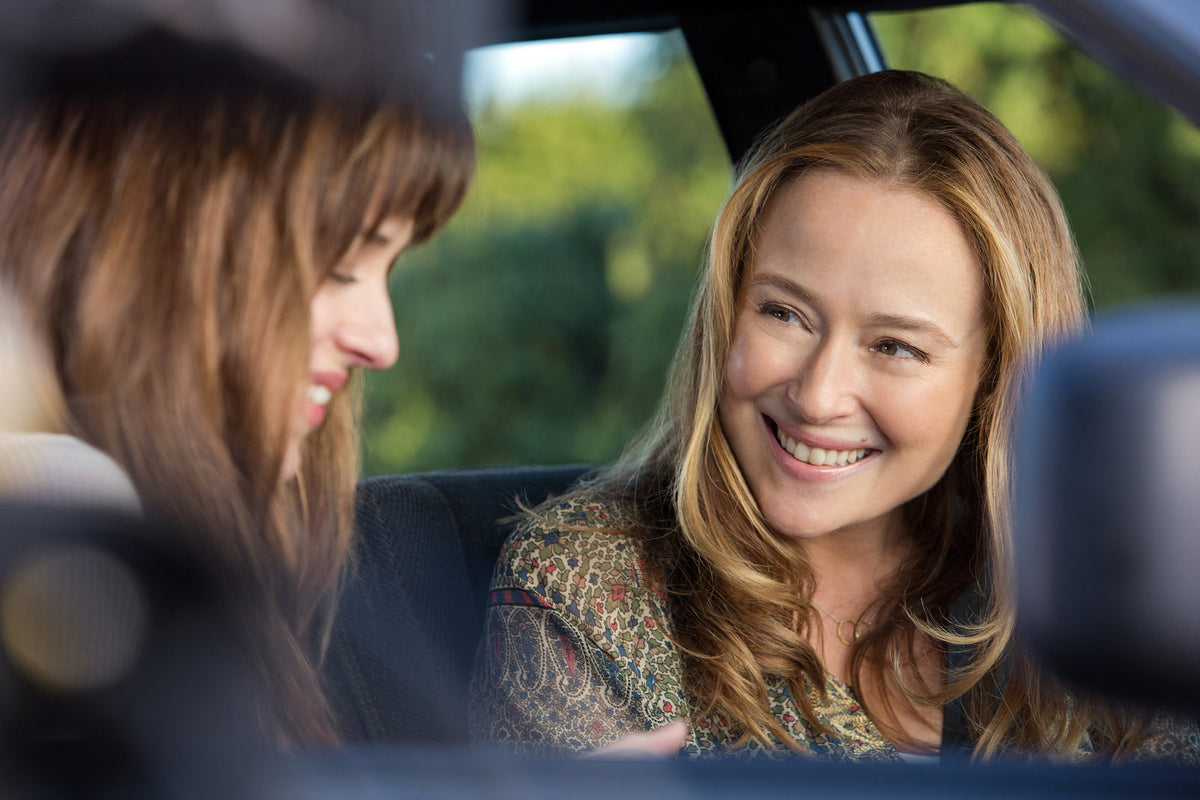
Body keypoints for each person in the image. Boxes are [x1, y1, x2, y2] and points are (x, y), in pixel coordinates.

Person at [469, 69, 1199, 762]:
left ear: (996, 377)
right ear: (726, 310)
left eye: (895, 346)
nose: (818, 396)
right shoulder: (584, 588)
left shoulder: (1108, 579)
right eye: (784, 312)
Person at [0, 50, 474, 748]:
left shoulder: (226, 567)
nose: (383, 342)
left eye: (388, 268)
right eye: (341, 266)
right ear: (161, 252)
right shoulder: (59, 515)